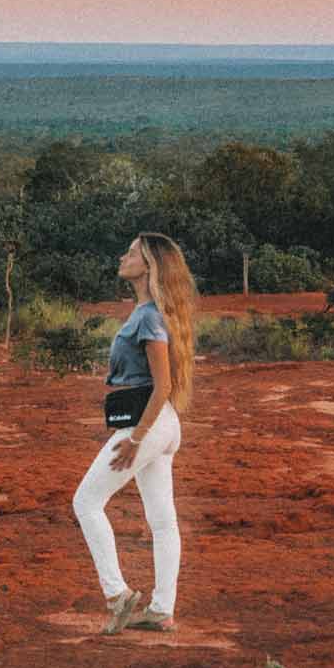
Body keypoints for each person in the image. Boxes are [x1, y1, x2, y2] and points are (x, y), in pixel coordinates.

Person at [73, 232, 198, 633]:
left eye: (131, 252)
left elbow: (162, 385)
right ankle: (162, 609)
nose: (123, 257)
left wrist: (138, 439)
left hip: (150, 420)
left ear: (149, 264)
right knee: (163, 521)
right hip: (160, 422)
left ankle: (117, 594)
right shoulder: (149, 312)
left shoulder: (148, 317)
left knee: (87, 501)